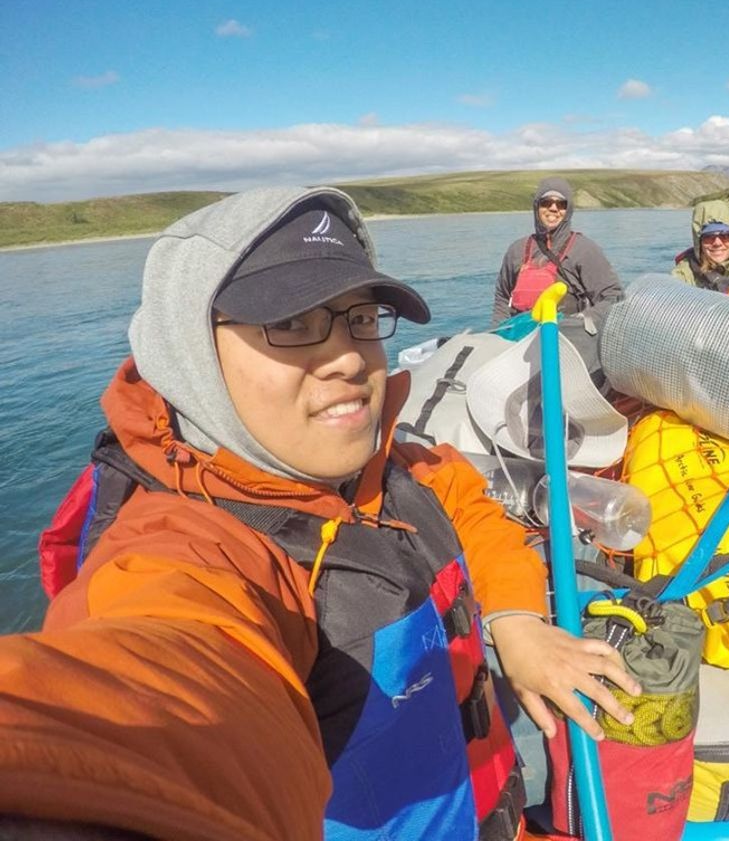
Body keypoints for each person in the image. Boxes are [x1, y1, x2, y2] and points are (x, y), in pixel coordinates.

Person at [0, 186, 639, 841]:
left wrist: (516, 619)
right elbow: (152, 698)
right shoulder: (188, 550)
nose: (349, 357)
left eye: (359, 317)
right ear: (190, 352)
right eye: (291, 323)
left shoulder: (397, 465)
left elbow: (473, 510)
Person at [491, 177, 623, 326]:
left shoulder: (585, 250)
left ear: (568, 210)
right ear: (537, 207)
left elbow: (614, 297)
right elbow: (502, 297)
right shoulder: (517, 250)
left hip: (567, 336)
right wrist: (500, 331)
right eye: (546, 202)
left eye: (561, 204)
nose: (553, 208)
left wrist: (580, 321)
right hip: (521, 336)